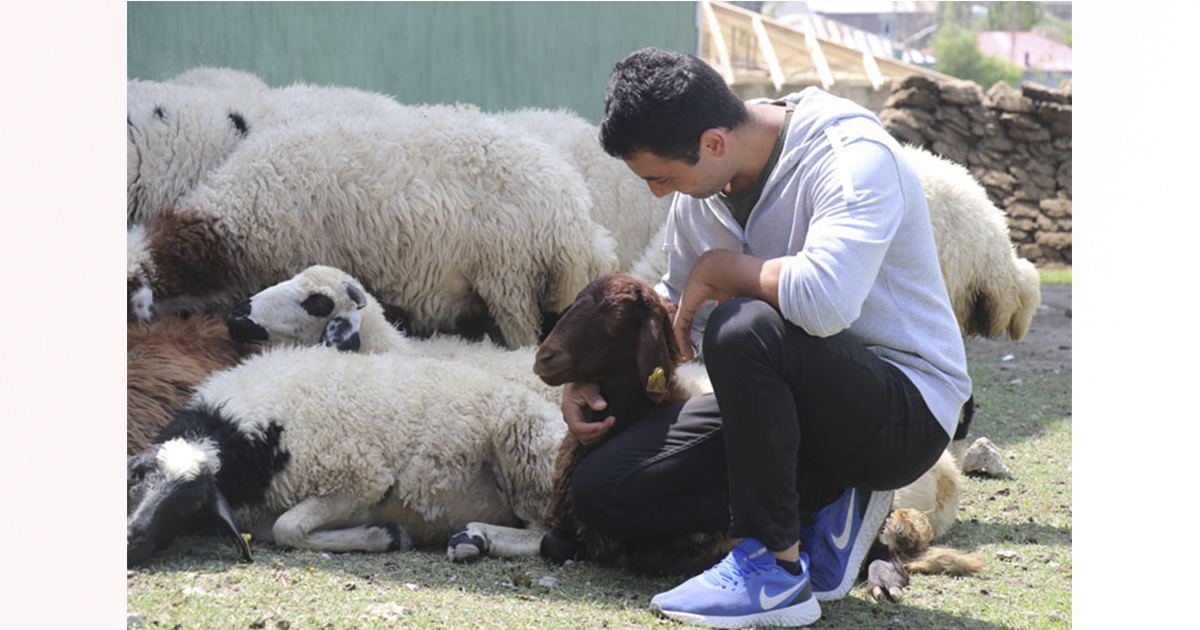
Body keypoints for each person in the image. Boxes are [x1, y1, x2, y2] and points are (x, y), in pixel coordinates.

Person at [560, 47, 972, 628]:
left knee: (743, 324)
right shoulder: (702, 196)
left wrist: (727, 270)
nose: (658, 194)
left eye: (662, 177)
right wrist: (595, 375)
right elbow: (682, 315)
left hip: (901, 410)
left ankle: (772, 571)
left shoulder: (850, 155)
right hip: (790, 407)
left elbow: (826, 301)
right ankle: (822, 503)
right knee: (603, 491)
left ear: (713, 143)